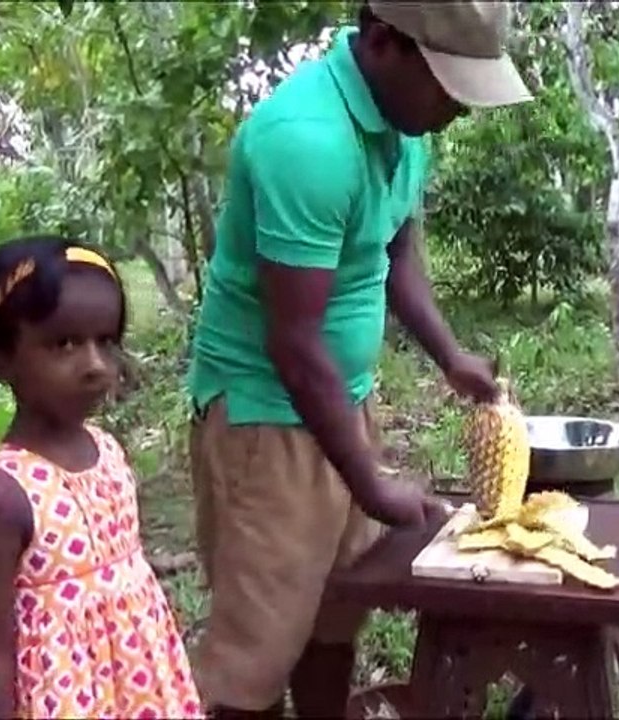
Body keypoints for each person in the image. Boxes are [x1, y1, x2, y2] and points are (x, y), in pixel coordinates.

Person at [185, 1, 534, 717]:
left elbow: (394, 255)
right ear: (382, 43)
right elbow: (293, 342)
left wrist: (451, 356)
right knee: (257, 652)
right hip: (267, 419)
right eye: (449, 85)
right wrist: (371, 484)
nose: (459, 110)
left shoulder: (406, 128)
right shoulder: (305, 141)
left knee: (334, 614)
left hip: (341, 401)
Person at [0, 236, 202, 719]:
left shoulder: (107, 450)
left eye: (106, 342)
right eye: (64, 343)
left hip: (136, 690)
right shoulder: (1, 495)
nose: (95, 365)